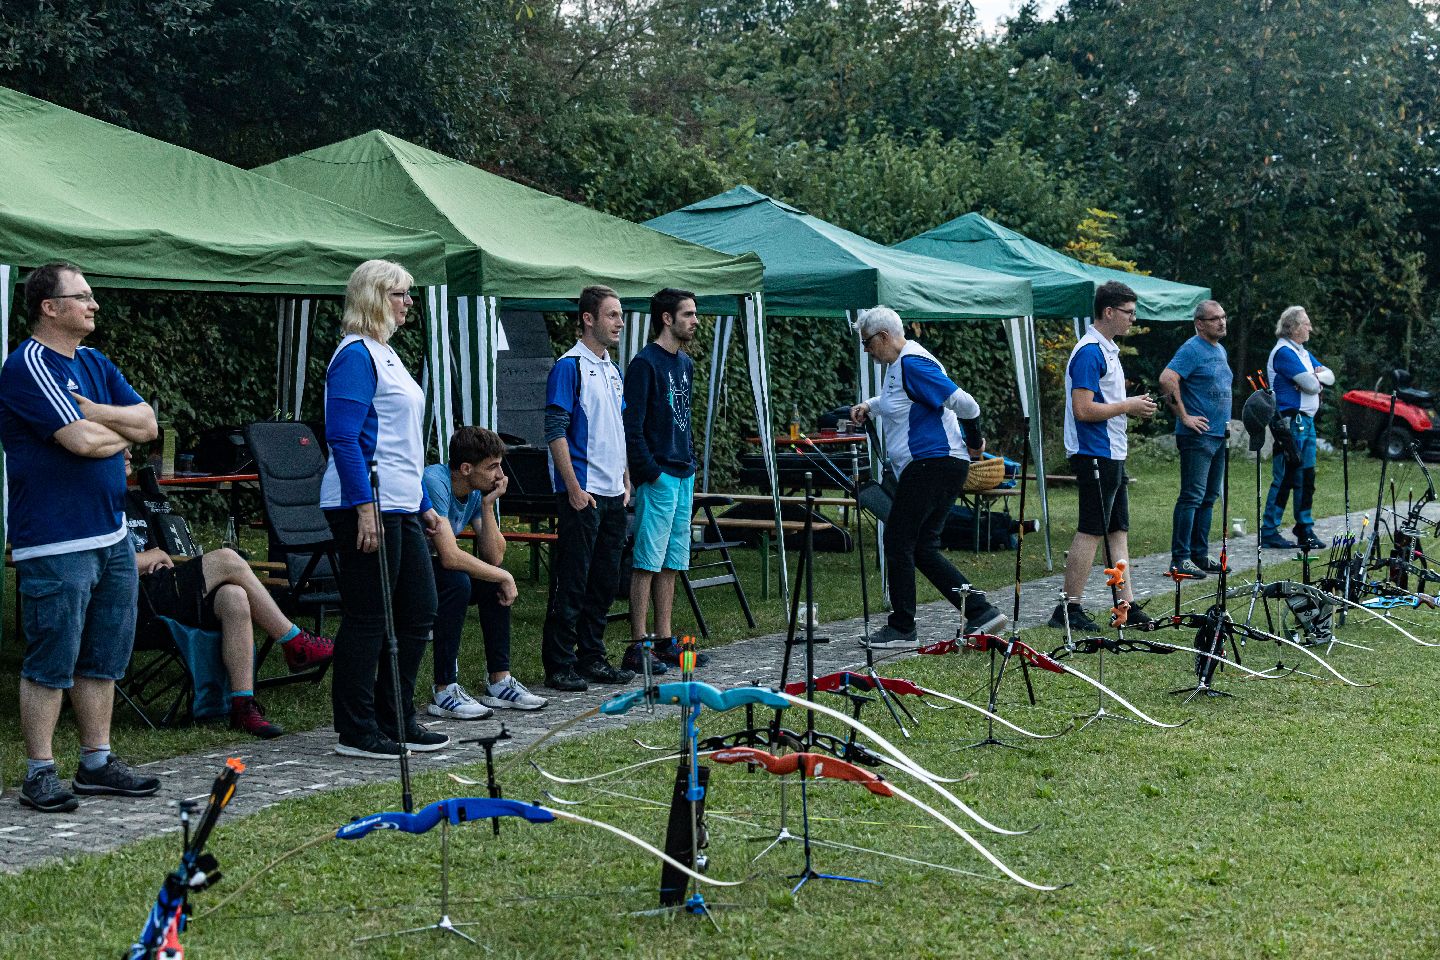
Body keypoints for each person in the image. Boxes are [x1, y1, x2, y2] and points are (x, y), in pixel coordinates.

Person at [0, 262, 161, 812]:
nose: (94, 304)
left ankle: (96, 762)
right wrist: (115, 430)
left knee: (103, 654)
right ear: (50, 307)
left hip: (110, 534)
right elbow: (82, 443)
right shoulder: (28, 365)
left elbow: (149, 424)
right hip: (56, 539)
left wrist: (96, 414)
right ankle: (39, 772)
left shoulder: (93, 362)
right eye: (83, 296)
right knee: (52, 658)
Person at [322, 259, 447, 759]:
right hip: (366, 501)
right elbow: (343, 437)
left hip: (400, 501)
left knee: (420, 607)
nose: (408, 302)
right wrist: (364, 507)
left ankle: (395, 715)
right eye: (400, 293)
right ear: (374, 297)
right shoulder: (355, 355)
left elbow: (401, 440)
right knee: (370, 614)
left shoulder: (386, 352)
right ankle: (356, 730)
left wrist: (423, 503)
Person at [124, 453, 335, 739]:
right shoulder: (94, 505)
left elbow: (160, 555)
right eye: (120, 449)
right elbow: (102, 561)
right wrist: (151, 556)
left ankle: (242, 706)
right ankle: (294, 641)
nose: (129, 454)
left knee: (234, 596)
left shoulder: (134, 501)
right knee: (227, 558)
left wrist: (158, 557)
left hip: (156, 589)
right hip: (129, 603)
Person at [849, 306, 1008, 647]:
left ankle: (902, 628)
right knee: (921, 546)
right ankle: (980, 612)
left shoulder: (912, 364)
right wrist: (870, 406)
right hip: (938, 465)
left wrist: (975, 440)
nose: (866, 350)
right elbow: (902, 400)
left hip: (930, 464)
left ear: (883, 337)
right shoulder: (901, 365)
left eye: (867, 343)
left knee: (897, 540)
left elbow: (967, 405)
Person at [541, 285, 638, 691]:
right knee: (573, 581)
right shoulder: (570, 366)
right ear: (588, 318)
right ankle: (560, 663)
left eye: (620, 315)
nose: (620, 323)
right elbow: (555, 429)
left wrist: (626, 477)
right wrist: (573, 488)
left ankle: (592, 657)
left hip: (614, 492)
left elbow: (617, 427)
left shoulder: (613, 370)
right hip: (584, 493)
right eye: (612, 315)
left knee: (603, 582)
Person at [1048, 281, 1159, 631]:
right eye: (1128, 312)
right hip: (1093, 451)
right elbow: (1082, 409)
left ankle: (1125, 604)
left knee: (1117, 531)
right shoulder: (1089, 352)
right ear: (1108, 312)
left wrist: (1131, 406)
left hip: (1111, 451)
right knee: (1091, 530)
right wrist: (1128, 405)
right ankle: (1068, 608)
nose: (1133, 319)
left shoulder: (1108, 349)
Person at [424, 425, 548, 715]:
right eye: (492, 467)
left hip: (433, 566)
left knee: (491, 582)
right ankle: (444, 689)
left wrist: (489, 505)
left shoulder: (476, 491)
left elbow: (494, 556)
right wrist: (505, 575)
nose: (500, 475)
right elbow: (449, 557)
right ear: (466, 468)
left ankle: (500, 682)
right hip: (407, 570)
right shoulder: (435, 481)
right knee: (458, 581)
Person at [623, 287, 711, 672]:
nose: (695, 321)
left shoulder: (685, 364)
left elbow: (684, 420)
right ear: (666, 318)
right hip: (658, 476)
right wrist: (651, 473)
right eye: (688, 314)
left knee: (673, 560)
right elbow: (632, 427)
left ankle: (663, 640)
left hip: (683, 474)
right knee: (647, 559)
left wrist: (690, 462)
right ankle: (637, 645)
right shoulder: (644, 364)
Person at [1159, 300, 1233, 578]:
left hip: (1217, 434)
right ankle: (1180, 558)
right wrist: (1184, 416)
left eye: (1223, 317)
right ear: (1199, 324)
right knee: (1192, 496)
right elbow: (1167, 379)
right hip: (1197, 436)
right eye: (1214, 319)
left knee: (1209, 496)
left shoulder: (1220, 349)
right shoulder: (1191, 349)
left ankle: (1199, 554)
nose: (1221, 322)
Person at [1262, 306, 1332, 551]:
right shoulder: (1284, 352)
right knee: (1285, 475)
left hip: (1306, 421)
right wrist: (1313, 379)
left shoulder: (1302, 353)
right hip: (1290, 420)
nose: (1310, 327)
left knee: (1306, 476)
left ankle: (1304, 528)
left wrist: (1313, 378)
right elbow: (1311, 386)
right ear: (1292, 327)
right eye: (1306, 323)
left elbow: (1329, 377)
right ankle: (1269, 530)